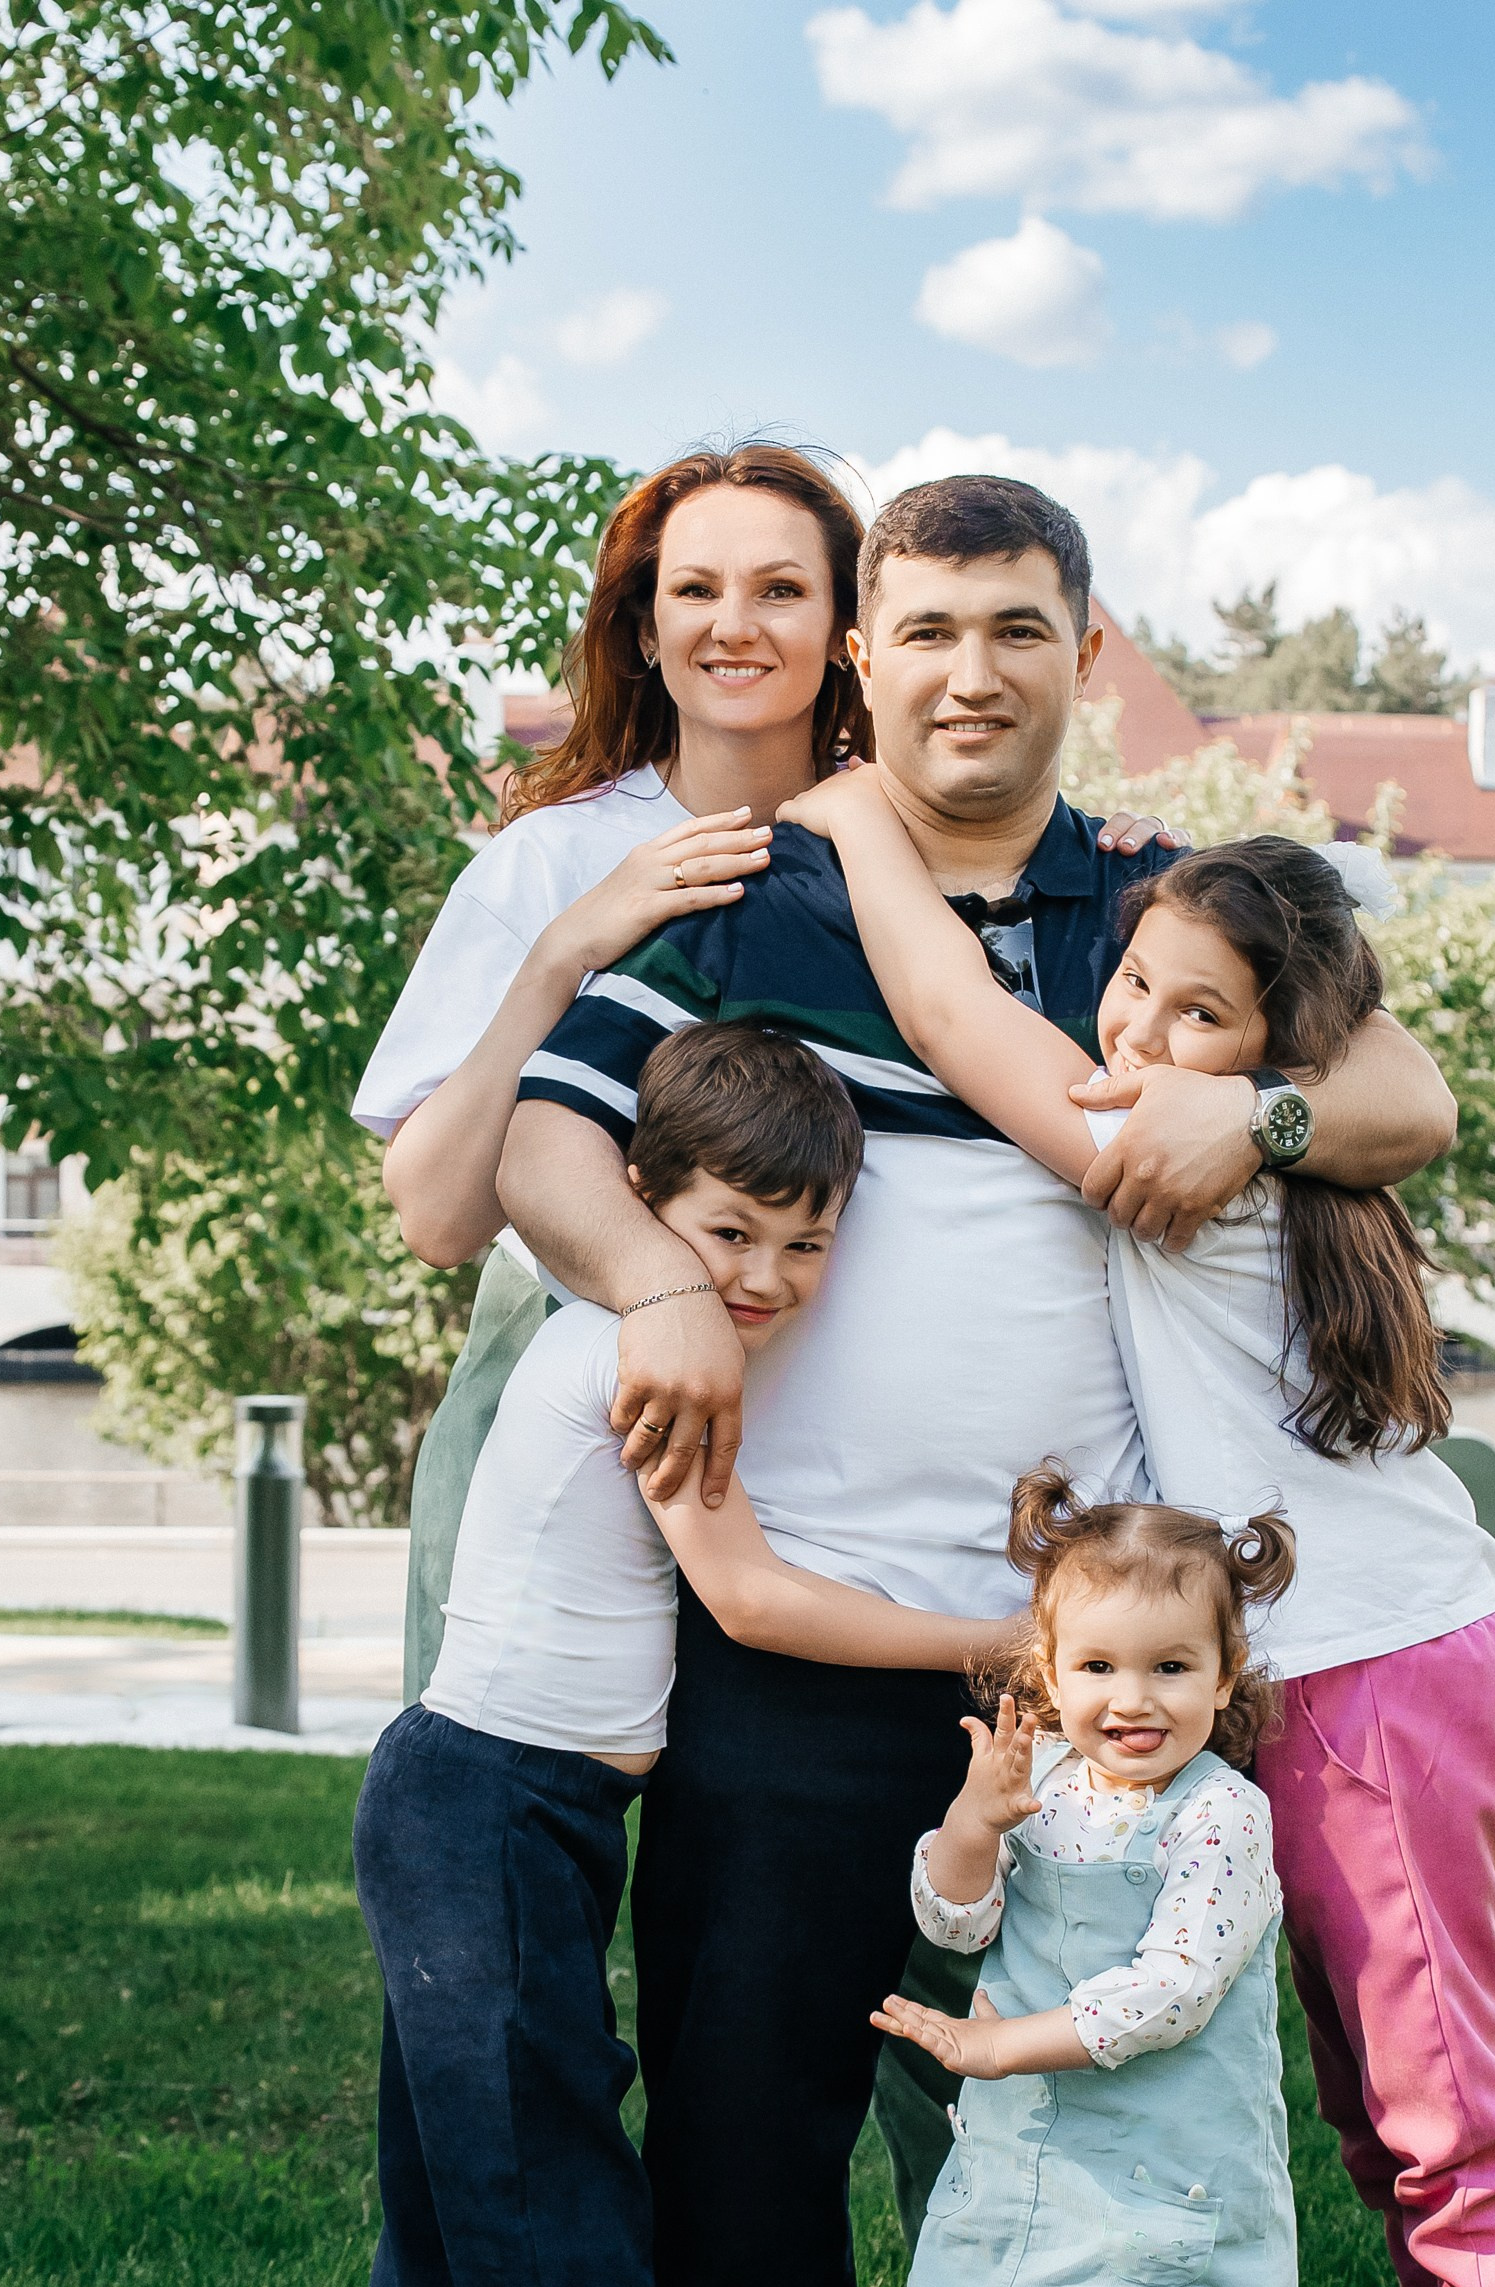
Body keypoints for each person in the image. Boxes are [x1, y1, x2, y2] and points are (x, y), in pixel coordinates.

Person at [495, 473, 1461, 2287]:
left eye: (1016, 627)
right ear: (866, 655)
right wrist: (661, 1286)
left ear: (1080, 648)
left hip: (1100, 1640)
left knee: (1161, 2051)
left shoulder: (1163, 904)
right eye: (924, 629)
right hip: (807, 1605)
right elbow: (551, 1152)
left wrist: (1254, 1112)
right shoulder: (753, 898)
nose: (968, 671)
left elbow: (1401, 1097)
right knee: (752, 2047)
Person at [780, 772, 1495, 2287]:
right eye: (1134, 982)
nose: (1139, 1028)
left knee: (1439, 2089)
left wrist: (854, 821)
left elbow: (941, 1011)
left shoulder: (1160, 1130)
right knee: (1373, 2079)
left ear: (1262, 1059)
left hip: (1380, 1666)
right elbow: (1379, 1066)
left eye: (1197, 1013)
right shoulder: (1265, 1133)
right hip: (1360, 1658)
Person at [350, 1024, 995, 2287]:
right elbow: (751, 1596)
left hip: (526, 1807)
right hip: (487, 1800)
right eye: (729, 1233)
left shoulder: (653, 1339)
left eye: (804, 1241)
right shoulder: (640, 1349)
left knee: (457, 2174)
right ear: (641, 1208)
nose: (764, 1275)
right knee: (542, 2176)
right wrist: (1004, 1633)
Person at [355, 440, 1172, 1701]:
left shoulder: (889, 828)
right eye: (693, 590)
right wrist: (573, 944)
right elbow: (440, 1215)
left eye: (781, 590)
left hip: (787, 1435)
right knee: (522, 1798)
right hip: (585, 1372)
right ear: (640, 626)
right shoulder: (555, 861)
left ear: (845, 628)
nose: (733, 626)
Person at [877, 1471, 1297, 2287]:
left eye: (1172, 1667)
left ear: (1223, 1679)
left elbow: (1167, 1992)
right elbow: (952, 1920)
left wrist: (998, 2048)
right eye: (1098, 1667)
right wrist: (971, 1820)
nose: (1133, 1699)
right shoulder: (1042, 1785)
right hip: (1076, 2167)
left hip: (1171, 2173)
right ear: (1045, 1675)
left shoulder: (1221, 1816)